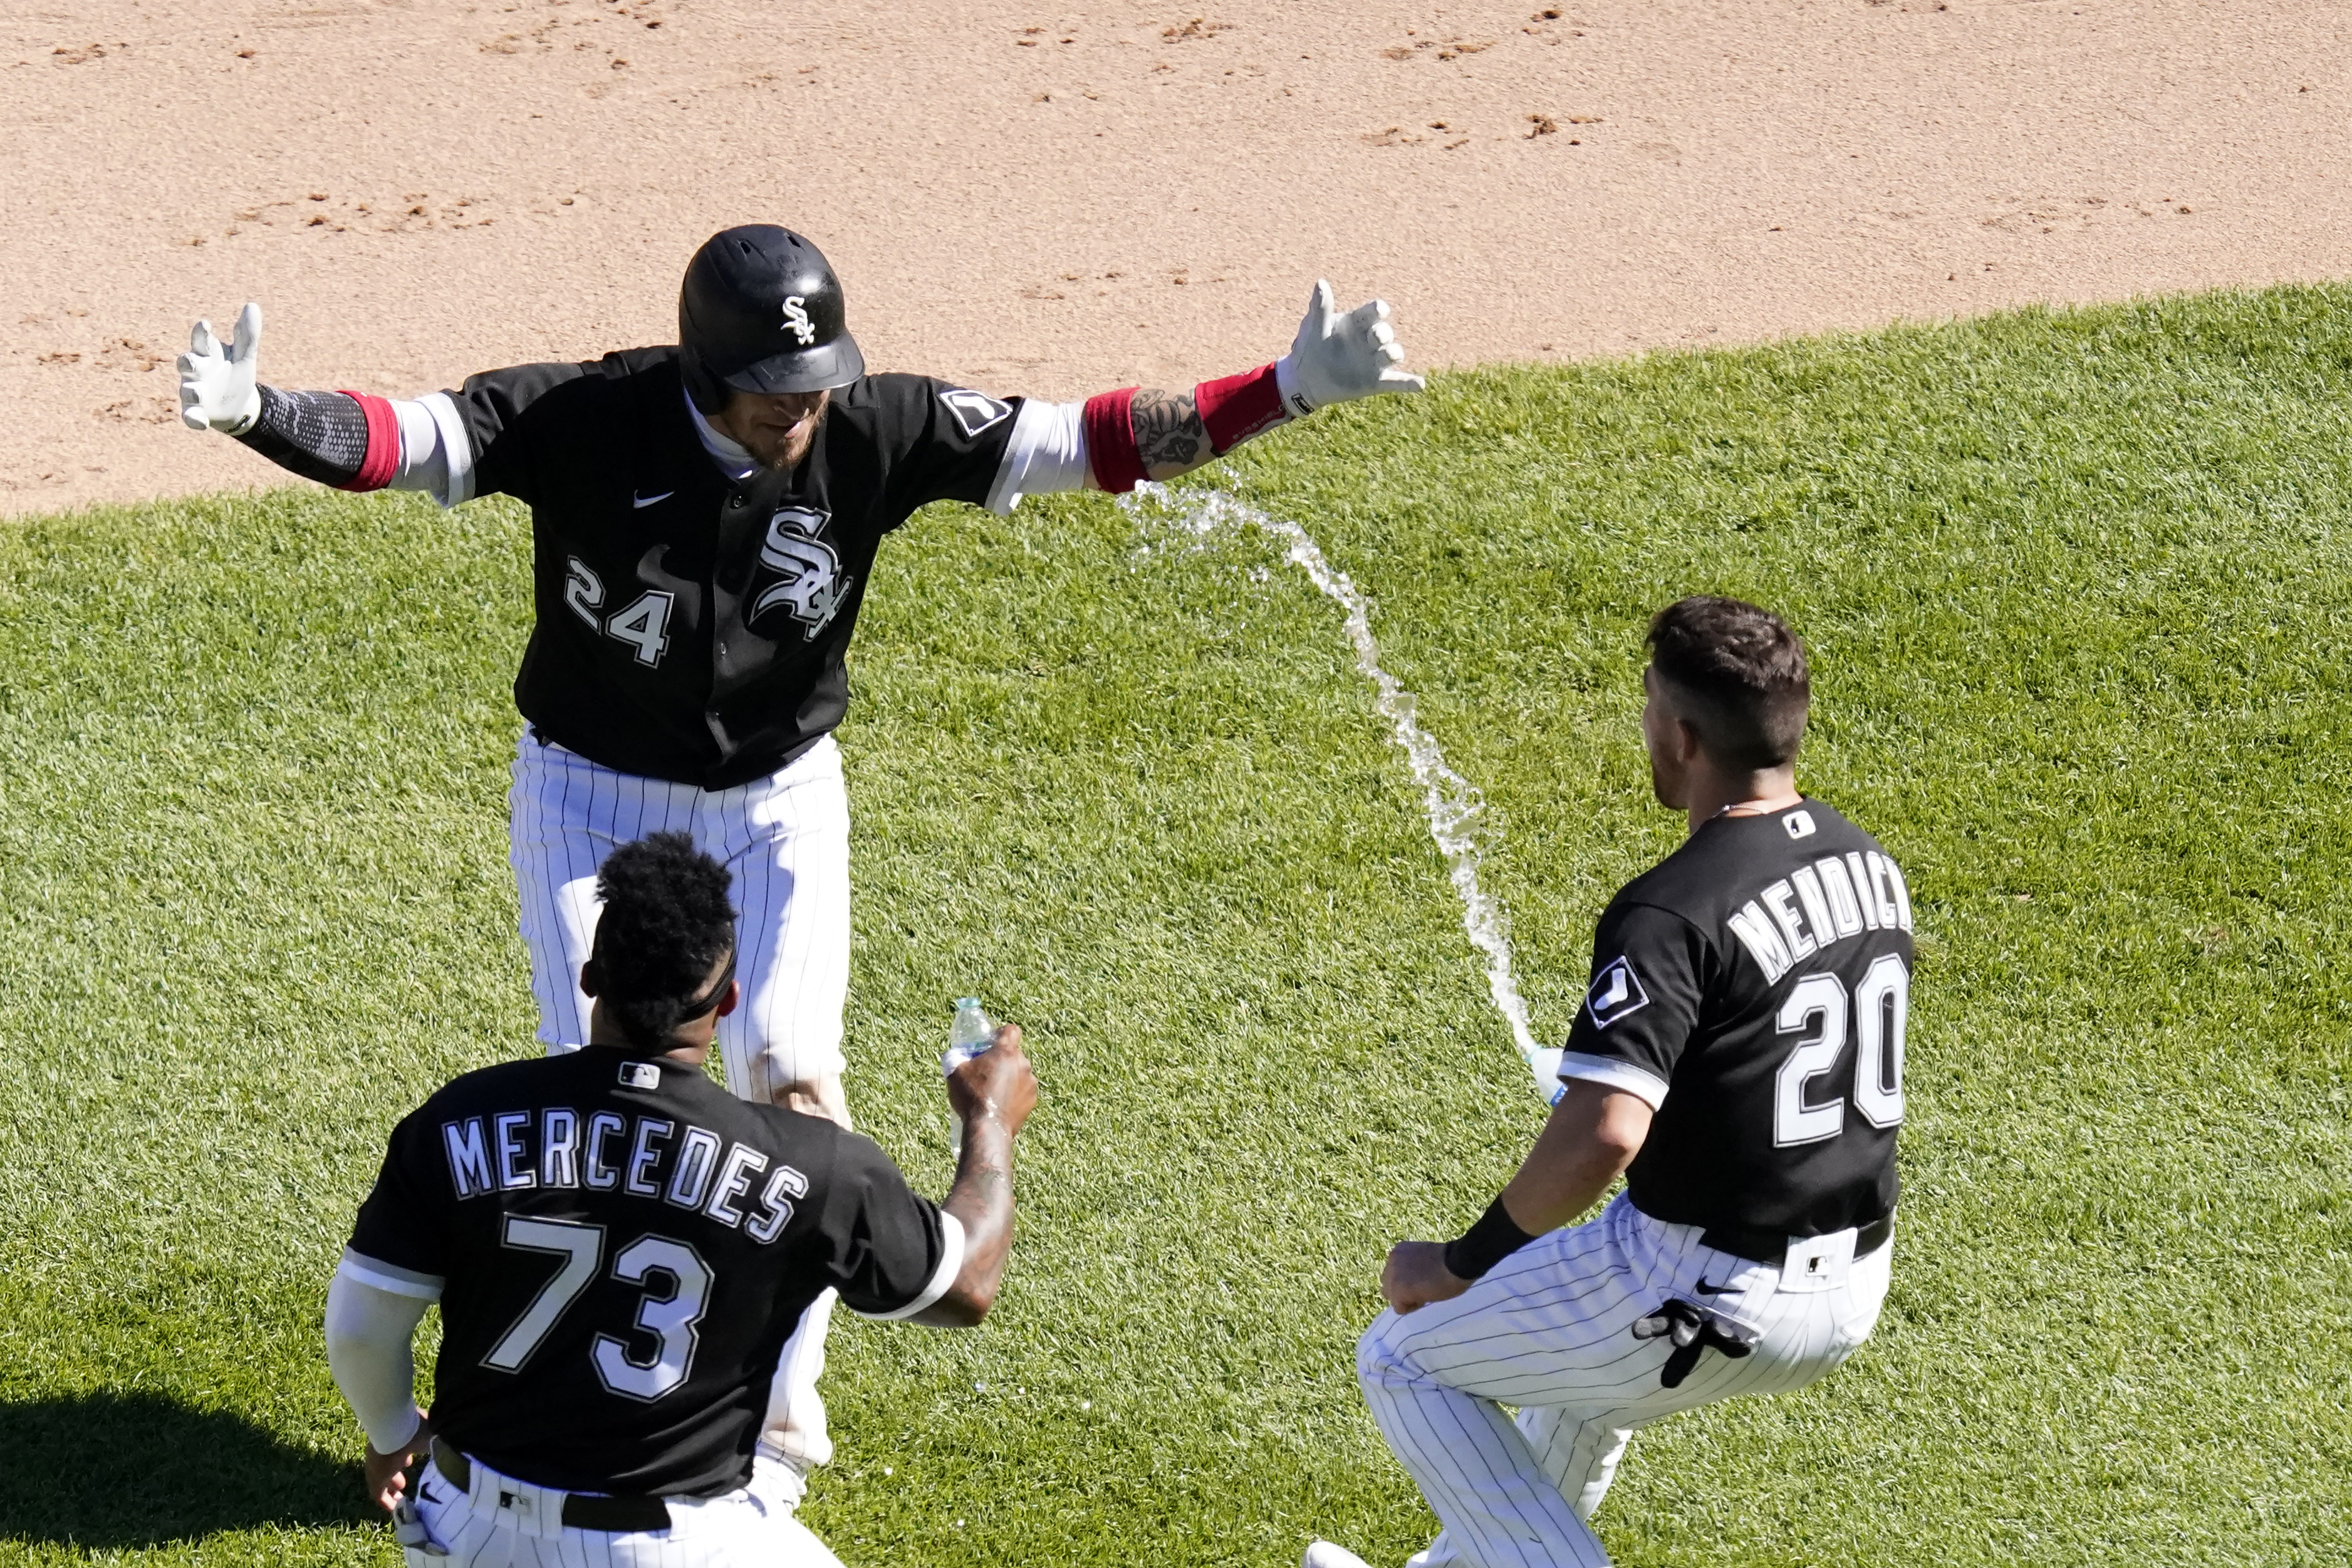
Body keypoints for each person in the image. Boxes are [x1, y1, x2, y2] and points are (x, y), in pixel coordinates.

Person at [179, 225, 1420, 1472]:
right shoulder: (585, 415)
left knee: (797, 1078)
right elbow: (406, 443)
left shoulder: (871, 426)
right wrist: (257, 414)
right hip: (590, 797)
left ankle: (773, 1403)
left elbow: (1080, 443)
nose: (806, 411)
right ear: (705, 375)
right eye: (781, 393)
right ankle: (598, 1386)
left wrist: (1288, 389)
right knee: (609, 1086)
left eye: (821, 380)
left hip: (778, 797)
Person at [1308, 596, 1913, 1568]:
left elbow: (1607, 1133)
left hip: (1709, 1288)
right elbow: (1761, 1070)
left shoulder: (1671, 909)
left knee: (1401, 1354)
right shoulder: (1869, 864)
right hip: (1851, 1285)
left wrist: (1462, 1262)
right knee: (1582, 1384)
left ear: (1679, 734)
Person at [322, 831, 1039, 1567]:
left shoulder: (458, 1120)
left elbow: (358, 1332)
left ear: (591, 976)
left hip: (467, 1528)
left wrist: (392, 1434)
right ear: (727, 999)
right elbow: (966, 1287)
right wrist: (990, 1123)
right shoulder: (814, 1165)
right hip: (672, 1546)